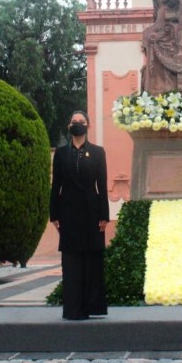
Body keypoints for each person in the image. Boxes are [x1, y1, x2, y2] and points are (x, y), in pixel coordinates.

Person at [49, 110, 110, 320]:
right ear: (69, 126)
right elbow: (55, 185)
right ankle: (73, 308)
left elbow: (102, 186)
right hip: (68, 212)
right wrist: (53, 214)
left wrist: (104, 215)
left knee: (92, 260)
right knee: (71, 261)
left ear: (88, 126)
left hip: (92, 212)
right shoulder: (61, 153)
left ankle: (93, 306)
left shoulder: (98, 152)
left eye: (81, 121)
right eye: (74, 121)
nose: (77, 124)